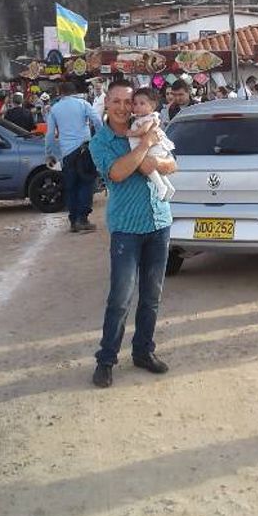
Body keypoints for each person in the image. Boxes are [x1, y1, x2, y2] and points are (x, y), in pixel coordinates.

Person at [88, 80, 177, 387]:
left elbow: (172, 163)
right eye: (117, 101)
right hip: (126, 228)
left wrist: (157, 161)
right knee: (121, 298)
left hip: (159, 222)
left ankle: (143, 351)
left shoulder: (148, 127)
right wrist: (143, 147)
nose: (124, 107)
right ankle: (106, 359)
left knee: (152, 296)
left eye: (129, 101)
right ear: (106, 104)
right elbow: (117, 172)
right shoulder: (100, 142)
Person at [45, 81, 103, 234]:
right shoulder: (83, 104)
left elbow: (50, 134)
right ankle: (83, 220)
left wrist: (50, 153)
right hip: (85, 150)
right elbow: (97, 121)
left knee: (71, 187)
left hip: (67, 154)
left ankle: (73, 220)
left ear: (60, 92)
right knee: (86, 183)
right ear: (74, 91)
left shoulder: (54, 109)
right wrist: (99, 139)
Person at [127, 88, 176, 201]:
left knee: (148, 166)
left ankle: (161, 187)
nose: (137, 106)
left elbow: (144, 130)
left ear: (152, 105)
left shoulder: (150, 118)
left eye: (142, 103)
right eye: (135, 104)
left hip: (153, 148)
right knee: (157, 171)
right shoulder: (140, 118)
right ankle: (169, 187)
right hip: (152, 148)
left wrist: (131, 133)